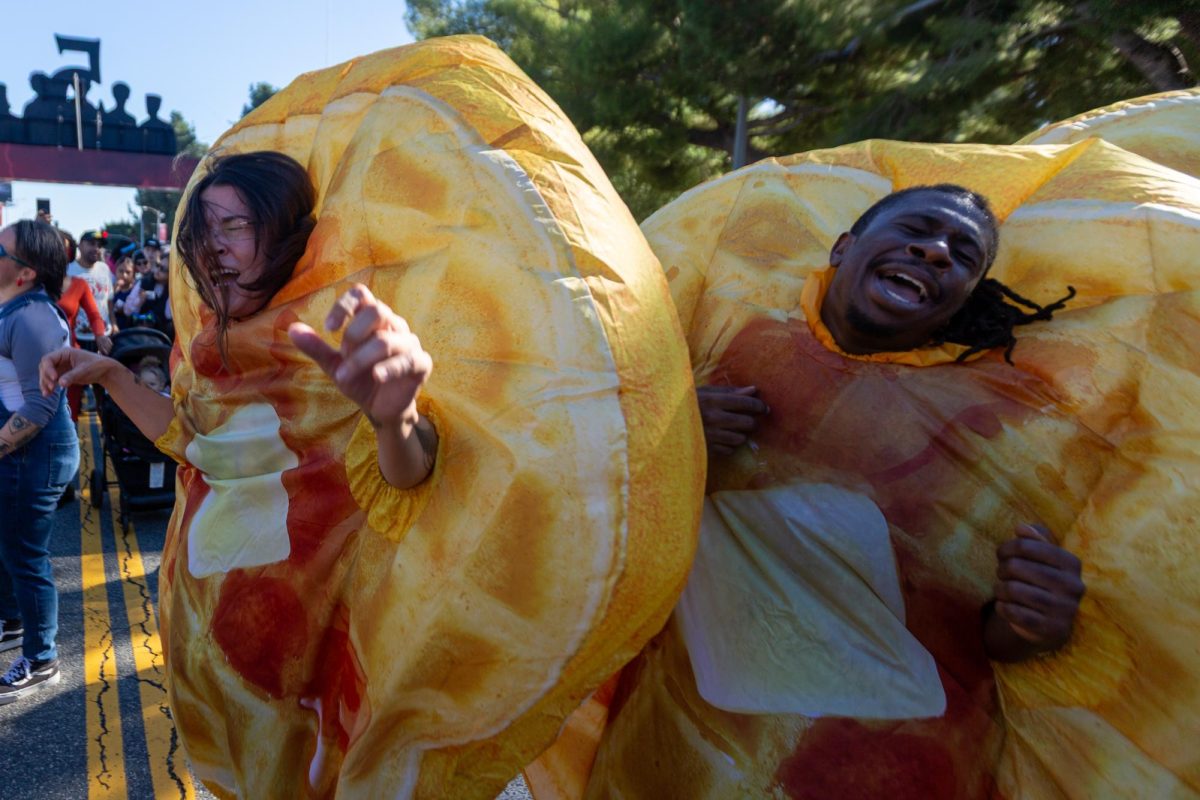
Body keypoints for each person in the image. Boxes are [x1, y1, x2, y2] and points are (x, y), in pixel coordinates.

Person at [697, 184, 1084, 661]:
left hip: (857, 698)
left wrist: (1033, 624)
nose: (936, 250)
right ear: (843, 248)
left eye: (963, 255)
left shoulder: (985, 419)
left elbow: (977, 635)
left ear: (964, 300)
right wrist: (673, 435)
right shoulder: (728, 332)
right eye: (915, 229)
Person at [42, 151, 437, 491]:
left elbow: (410, 477)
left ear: (284, 234)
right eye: (201, 233)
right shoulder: (207, 334)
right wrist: (108, 373)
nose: (211, 248)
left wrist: (395, 423)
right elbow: (191, 438)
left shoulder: (336, 331)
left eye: (234, 226)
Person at [0, 219, 79, 703]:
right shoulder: (14, 307)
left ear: (25, 272)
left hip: (35, 454)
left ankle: (41, 659)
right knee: (8, 546)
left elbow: (40, 406)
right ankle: (12, 622)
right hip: (21, 452)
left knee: (26, 557)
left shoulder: (32, 318)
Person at [68, 230, 114, 353]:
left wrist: (114, 324)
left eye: (99, 245)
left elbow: (109, 300)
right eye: (91, 244)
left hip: (104, 336)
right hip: (78, 338)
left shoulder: (104, 269)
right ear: (80, 246)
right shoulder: (68, 271)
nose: (96, 249)